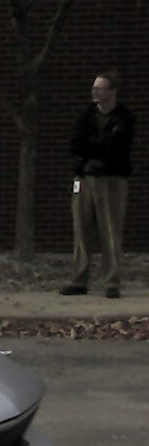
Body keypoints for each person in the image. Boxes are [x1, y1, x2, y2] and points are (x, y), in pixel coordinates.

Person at [61, 70, 135, 299]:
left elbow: (116, 147)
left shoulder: (124, 118)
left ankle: (111, 282)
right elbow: (75, 145)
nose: (95, 92)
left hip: (111, 180)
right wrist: (96, 148)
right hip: (83, 179)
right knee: (81, 230)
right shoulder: (86, 116)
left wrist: (93, 148)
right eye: (94, 88)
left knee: (110, 231)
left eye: (100, 88)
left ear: (112, 92)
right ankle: (78, 280)